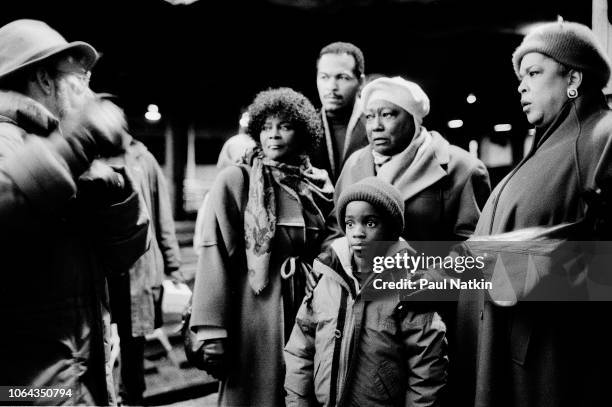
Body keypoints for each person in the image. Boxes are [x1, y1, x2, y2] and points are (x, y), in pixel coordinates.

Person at [452, 20, 612, 407]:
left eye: (535, 73)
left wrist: (517, 269)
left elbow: (604, 270)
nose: (521, 85)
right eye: (520, 76)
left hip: (550, 366)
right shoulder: (547, 146)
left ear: (573, 76)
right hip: (503, 351)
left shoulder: (603, 135)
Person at [0, 19, 149, 405]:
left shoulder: (57, 147)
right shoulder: (11, 140)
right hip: (26, 387)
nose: (90, 92)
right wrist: (75, 141)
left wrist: (118, 192)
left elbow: (123, 255)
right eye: (80, 79)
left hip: (70, 374)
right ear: (44, 79)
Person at [189, 87, 334, 406]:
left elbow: (331, 242)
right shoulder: (236, 180)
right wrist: (212, 331)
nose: (274, 135)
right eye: (266, 127)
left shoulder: (319, 184)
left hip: (307, 304)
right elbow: (214, 255)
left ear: (304, 131)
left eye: (284, 126)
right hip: (252, 309)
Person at [284, 177, 448, 407]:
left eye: (370, 223)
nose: (357, 233)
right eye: (350, 224)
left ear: (391, 230)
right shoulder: (325, 278)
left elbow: (427, 365)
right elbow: (300, 350)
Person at [332, 76, 490, 247]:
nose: (375, 126)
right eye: (369, 117)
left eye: (387, 115)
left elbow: (475, 247)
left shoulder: (463, 168)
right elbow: (334, 231)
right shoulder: (353, 164)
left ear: (413, 119)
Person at [106, 132, 182, 406]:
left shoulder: (143, 159)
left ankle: (131, 398)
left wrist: (173, 266)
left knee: (133, 340)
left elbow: (161, 214)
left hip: (138, 268)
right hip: (102, 268)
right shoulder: (84, 155)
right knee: (98, 340)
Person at [312, 42, 368, 183]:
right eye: (324, 77)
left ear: (361, 82)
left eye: (342, 77)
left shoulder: (375, 126)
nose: (331, 87)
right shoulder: (305, 128)